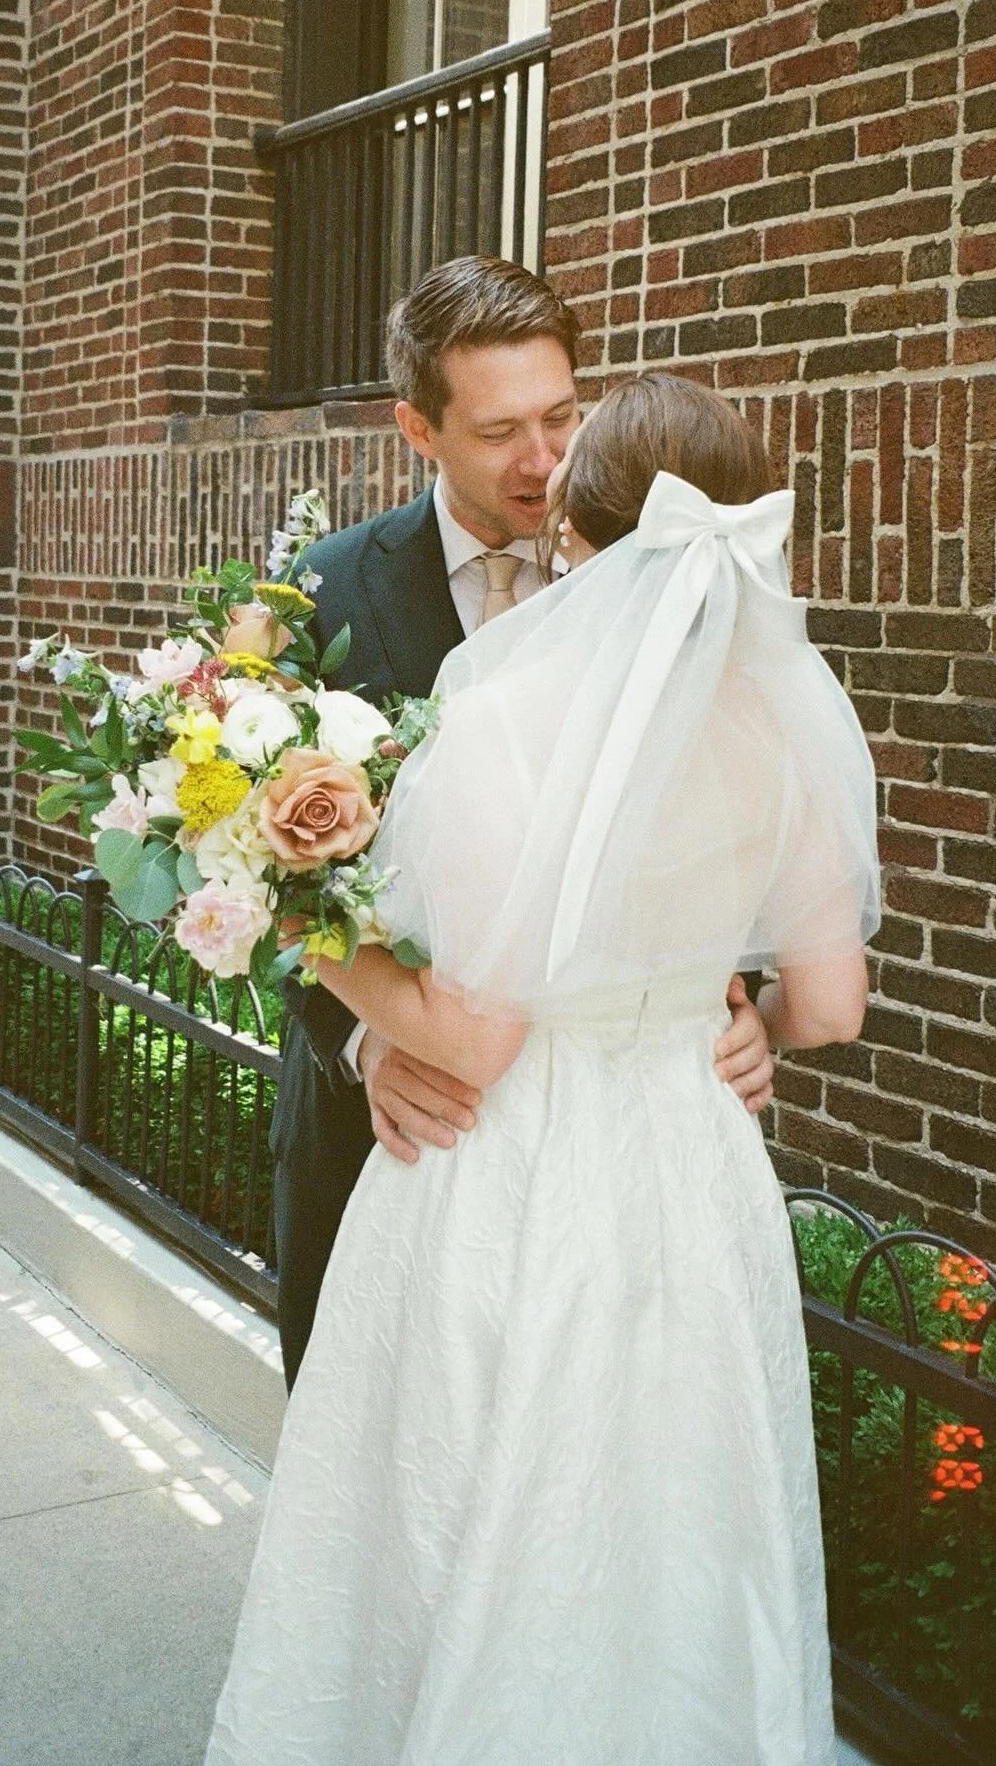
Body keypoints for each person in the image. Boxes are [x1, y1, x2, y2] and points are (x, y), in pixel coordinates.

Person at [205, 371, 881, 1765]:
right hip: (692, 1172)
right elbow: (830, 1002)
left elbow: (474, 1031)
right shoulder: (787, 723)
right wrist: (727, 1013)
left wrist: (277, 902)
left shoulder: (509, 709)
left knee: (474, 1507)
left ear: (576, 523)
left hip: (510, 1169)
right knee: (674, 1520)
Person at [271, 257, 777, 1389]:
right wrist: (363, 1042)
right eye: (501, 431)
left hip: (612, 1173)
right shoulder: (322, 594)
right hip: (391, 1132)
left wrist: (744, 1000)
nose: (545, 463)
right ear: (418, 428)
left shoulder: (665, 575)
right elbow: (251, 868)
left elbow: (713, 815)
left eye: (561, 416)